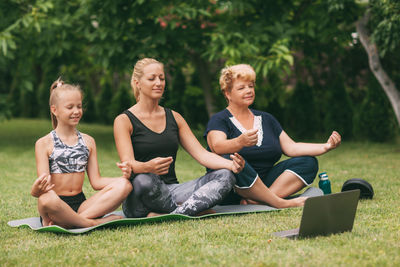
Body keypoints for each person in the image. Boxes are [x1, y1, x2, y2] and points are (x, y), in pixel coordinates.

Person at [114, 58, 245, 218]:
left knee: (225, 175)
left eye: (161, 78)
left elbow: (201, 154)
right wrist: (148, 167)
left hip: (173, 191)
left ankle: (175, 212)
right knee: (144, 180)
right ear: (137, 83)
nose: (159, 83)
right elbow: (129, 163)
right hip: (140, 195)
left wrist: (231, 165)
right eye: (151, 78)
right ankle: (194, 208)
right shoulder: (124, 120)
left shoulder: (174, 117)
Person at [205, 64, 341, 208]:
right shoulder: (219, 119)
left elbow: (291, 147)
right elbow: (217, 147)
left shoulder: (267, 119)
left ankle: (260, 200)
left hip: (266, 182)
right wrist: (240, 142)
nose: (249, 91)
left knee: (308, 162)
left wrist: (326, 146)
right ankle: (277, 202)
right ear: (227, 93)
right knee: (232, 160)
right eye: (241, 88)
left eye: (251, 86)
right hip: (235, 186)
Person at [31, 79, 132, 229]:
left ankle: (71, 221)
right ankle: (92, 223)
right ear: (54, 110)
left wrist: (123, 177)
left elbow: (96, 182)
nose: (76, 111)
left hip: (82, 206)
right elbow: (44, 188)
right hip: (56, 204)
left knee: (125, 185)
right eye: (70, 107)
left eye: (79, 106)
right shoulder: (44, 143)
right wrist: (36, 190)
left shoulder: (88, 141)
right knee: (46, 199)